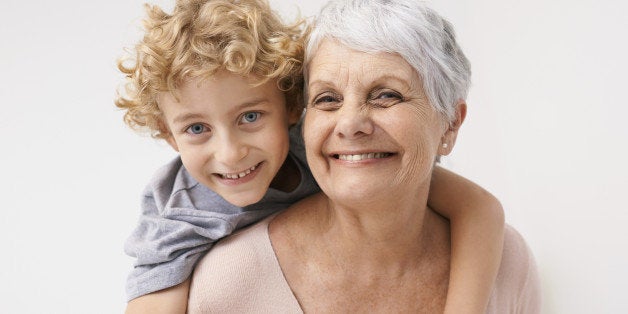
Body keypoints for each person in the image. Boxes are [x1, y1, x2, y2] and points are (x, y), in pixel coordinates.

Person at [115, 0, 506, 313]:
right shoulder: (182, 213)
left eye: (250, 117)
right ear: (168, 136)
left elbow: (479, 207)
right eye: (196, 129)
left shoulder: (322, 146)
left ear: (293, 108)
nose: (230, 153)